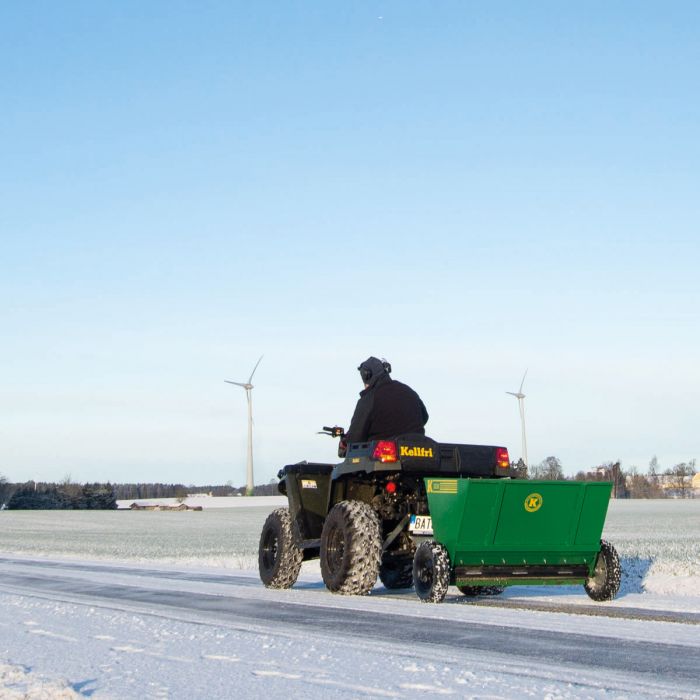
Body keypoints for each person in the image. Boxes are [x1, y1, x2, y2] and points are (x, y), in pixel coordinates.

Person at [338, 357, 429, 456]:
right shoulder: (409, 391)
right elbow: (424, 417)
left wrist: (344, 442)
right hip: (421, 453)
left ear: (367, 376)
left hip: (384, 461)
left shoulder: (369, 398)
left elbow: (355, 439)